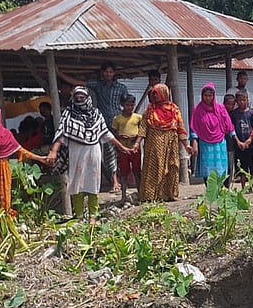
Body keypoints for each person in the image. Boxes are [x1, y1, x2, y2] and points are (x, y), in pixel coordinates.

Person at [48, 88, 134, 221]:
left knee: (93, 183)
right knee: (76, 184)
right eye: (77, 97)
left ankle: (93, 217)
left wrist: (122, 147)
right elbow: (61, 134)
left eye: (82, 97)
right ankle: (80, 216)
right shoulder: (68, 114)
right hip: (76, 151)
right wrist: (53, 151)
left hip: (93, 151)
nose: (79, 99)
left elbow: (106, 134)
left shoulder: (96, 114)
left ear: (87, 98)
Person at [136, 84, 189, 202]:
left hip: (171, 143)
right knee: (154, 167)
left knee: (173, 166)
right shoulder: (150, 109)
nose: (155, 96)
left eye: (157, 94)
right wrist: (137, 143)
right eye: (154, 94)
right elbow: (143, 127)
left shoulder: (174, 109)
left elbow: (180, 127)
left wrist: (186, 145)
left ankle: (170, 194)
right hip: (154, 144)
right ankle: (150, 196)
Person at [189, 83, 237, 185]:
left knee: (221, 169)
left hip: (220, 144)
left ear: (213, 96)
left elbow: (229, 125)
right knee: (208, 170)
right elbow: (194, 128)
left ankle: (222, 192)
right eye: (205, 95)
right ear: (202, 96)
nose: (208, 98)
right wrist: (194, 143)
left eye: (210, 96)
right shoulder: (197, 110)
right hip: (205, 144)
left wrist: (237, 140)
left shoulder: (220, 109)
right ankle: (211, 193)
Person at [112, 94, 143, 203]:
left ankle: (140, 194)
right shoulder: (117, 119)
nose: (129, 107)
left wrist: (136, 139)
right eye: (127, 105)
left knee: (137, 171)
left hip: (135, 148)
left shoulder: (138, 118)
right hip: (122, 149)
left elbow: (142, 132)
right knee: (124, 172)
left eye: (132, 105)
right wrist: (120, 136)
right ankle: (124, 196)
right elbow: (114, 133)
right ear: (122, 105)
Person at [230, 91, 253, 192]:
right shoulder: (234, 114)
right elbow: (231, 129)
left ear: (247, 100)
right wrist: (238, 142)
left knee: (252, 167)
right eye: (240, 100)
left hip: (250, 145)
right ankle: (243, 187)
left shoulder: (252, 113)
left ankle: (252, 186)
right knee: (242, 168)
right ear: (236, 101)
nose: (242, 102)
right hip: (238, 145)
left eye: (244, 100)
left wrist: (249, 140)